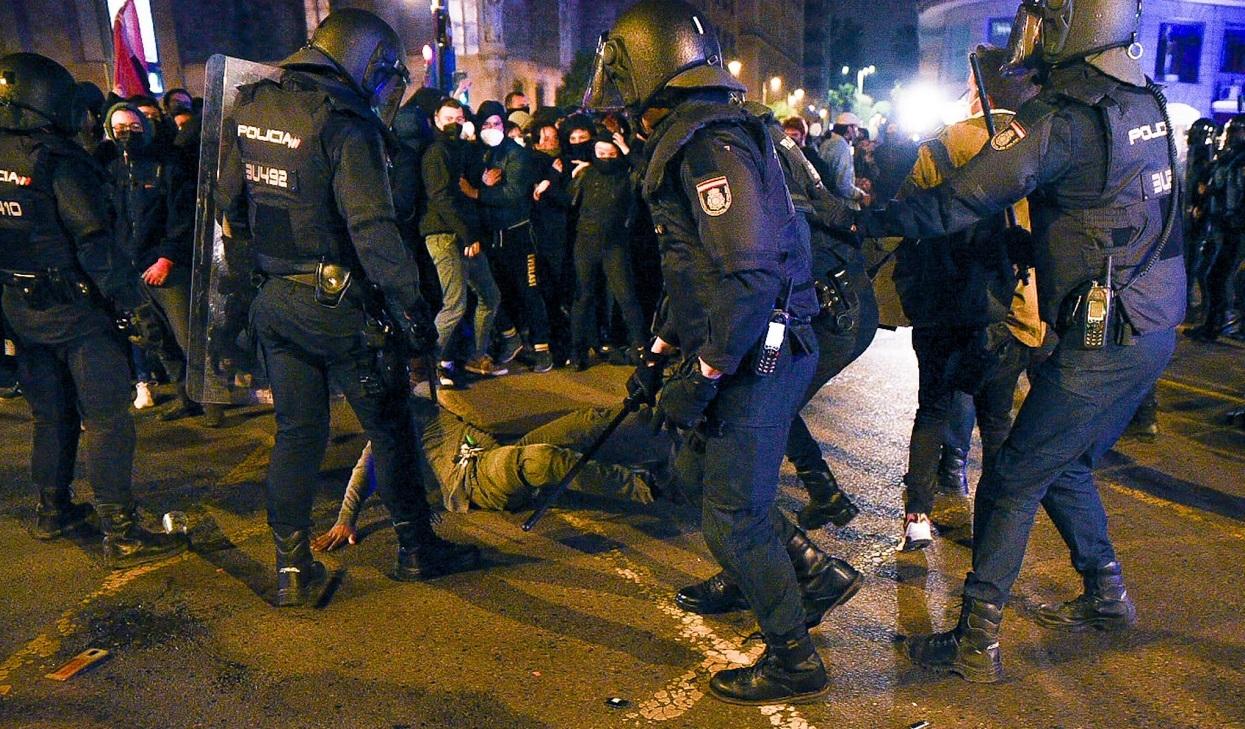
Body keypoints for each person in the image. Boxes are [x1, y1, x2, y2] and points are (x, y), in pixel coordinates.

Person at [858, 0, 1185, 683]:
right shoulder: (1142, 99)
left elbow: (953, 202)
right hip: (1150, 323)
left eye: (1041, 18)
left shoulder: (1058, 117)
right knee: (1060, 461)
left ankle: (975, 643)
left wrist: (856, 219)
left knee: (1010, 475)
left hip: (1104, 333)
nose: (1026, 32)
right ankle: (1105, 596)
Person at [587, 1, 862, 704]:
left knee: (732, 509)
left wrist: (704, 374)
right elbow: (690, 270)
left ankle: (794, 656)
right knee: (697, 471)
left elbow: (745, 275)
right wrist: (657, 353)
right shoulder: (692, 133)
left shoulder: (707, 143)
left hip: (757, 346)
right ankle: (803, 573)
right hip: (738, 337)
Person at [215, 9, 479, 607]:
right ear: (364, 61)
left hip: (275, 299)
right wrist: (411, 312)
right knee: (389, 426)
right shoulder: (345, 123)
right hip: (339, 304)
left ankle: (289, 570)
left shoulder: (253, 105)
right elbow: (372, 227)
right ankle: (417, 548)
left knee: (297, 432)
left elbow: (229, 204)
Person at [0, 52, 187, 567]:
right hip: (77, 313)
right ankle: (122, 533)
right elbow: (93, 242)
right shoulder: (56, 160)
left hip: (21, 306)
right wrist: (134, 306)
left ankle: (52, 509)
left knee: (50, 415)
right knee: (108, 420)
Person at [891, 44, 1046, 550]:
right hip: (1009, 304)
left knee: (932, 408)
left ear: (978, 91)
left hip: (942, 301)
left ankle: (917, 517)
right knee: (997, 420)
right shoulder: (1035, 145)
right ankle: (994, 524)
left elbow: (908, 213)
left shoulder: (941, 145)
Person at [750, 102, 876, 531]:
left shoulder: (759, 164)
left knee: (761, 407)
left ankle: (768, 533)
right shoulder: (788, 153)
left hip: (829, 307)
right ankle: (825, 494)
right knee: (772, 403)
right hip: (843, 300)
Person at [313, 401, 670, 550]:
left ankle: (678, 422)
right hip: (475, 479)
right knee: (543, 459)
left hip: (493, 455)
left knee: (588, 420)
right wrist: (346, 519)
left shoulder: (417, 399)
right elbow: (366, 468)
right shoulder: (393, 418)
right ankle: (647, 487)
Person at [104, 102, 203, 423]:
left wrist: (166, 258)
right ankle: (187, 398)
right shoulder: (111, 170)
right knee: (157, 338)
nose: (126, 134)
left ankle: (211, 401)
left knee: (187, 336)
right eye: (119, 128)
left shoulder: (167, 166)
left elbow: (182, 217)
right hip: (133, 271)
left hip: (165, 269)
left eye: (133, 126)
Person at [421, 97, 506, 386]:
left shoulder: (460, 150)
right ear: (436, 119)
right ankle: (427, 366)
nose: (454, 125)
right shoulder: (437, 153)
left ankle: (475, 356)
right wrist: (468, 234)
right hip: (444, 234)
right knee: (455, 304)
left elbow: (468, 192)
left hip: (464, 234)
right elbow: (442, 198)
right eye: (449, 119)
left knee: (489, 295)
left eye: (459, 119)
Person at [473, 100, 554, 373]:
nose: (491, 129)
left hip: (517, 234)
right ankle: (510, 338)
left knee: (529, 290)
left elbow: (513, 194)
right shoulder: (478, 153)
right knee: (494, 292)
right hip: (491, 235)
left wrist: (479, 192)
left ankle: (542, 348)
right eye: (486, 124)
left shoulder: (516, 155)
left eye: (496, 123)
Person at [568, 135, 645, 368]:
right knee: (583, 297)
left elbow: (644, 170)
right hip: (586, 243)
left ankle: (640, 347)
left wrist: (624, 147)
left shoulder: (627, 175)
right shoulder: (587, 174)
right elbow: (569, 201)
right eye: (601, 153)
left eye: (611, 154)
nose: (606, 158)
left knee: (625, 296)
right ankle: (578, 352)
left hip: (615, 244)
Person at [1188, 114, 1245, 342]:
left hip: (1236, 229)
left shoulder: (1239, 159)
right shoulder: (1229, 158)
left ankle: (1219, 324)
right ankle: (1214, 323)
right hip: (1222, 226)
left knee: (1220, 277)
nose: (1229, 137)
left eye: (1236, 132)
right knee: (1212, 275)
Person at [817, 111, 870, 208]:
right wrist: (860, 194)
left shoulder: (826, 143)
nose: (857, 132)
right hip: (840, 205)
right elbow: (842, 185)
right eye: (856, 128)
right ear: (849, 129)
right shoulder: (842, 146)